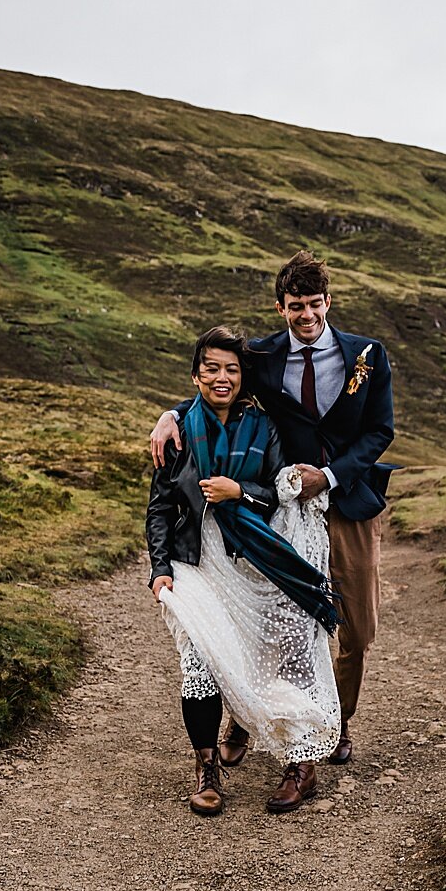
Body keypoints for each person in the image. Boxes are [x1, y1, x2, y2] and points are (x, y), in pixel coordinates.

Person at [151, 251, 395, 766]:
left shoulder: (368, 355)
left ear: (328, 302)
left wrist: (327, 476)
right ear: (280, 307)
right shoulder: (262, 357)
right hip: (278, 503)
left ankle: (336, 720)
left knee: (357, 627)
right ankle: (254, 718)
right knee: (275, 617)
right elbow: (219, 382)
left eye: (313, 304)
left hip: (347, 500)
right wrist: (169, 415)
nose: (305, 315)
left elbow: (380, 431)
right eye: (294, 306)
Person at [147, 325, 342, 815]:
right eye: (211, 368)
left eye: (231, 369)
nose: (221, 377)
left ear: (242, 378)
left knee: (280, 651)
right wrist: (159, 567)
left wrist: (241, 493)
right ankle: (206, 767)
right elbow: (160, 508)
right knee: (199, 661)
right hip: (196, 561)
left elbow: (276, 492)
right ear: (195, 375)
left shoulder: (264, 426)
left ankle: (302, 756)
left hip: (252, 558)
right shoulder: (176, 435)